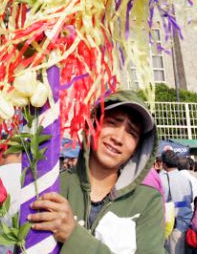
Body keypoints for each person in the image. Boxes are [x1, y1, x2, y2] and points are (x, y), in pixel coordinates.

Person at [27, 89, 165, 253]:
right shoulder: (53, 186)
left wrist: (74, 236)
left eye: (131, 132)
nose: (118, 138)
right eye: (112, 122)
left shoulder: (147, 201)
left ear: (137, 148)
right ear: (91, 125)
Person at [160, 150, 193, 253]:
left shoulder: (161, 178)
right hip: (186, 223)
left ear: (164, 164)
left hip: (169, 226)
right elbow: (190, 199)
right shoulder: (186, 179)